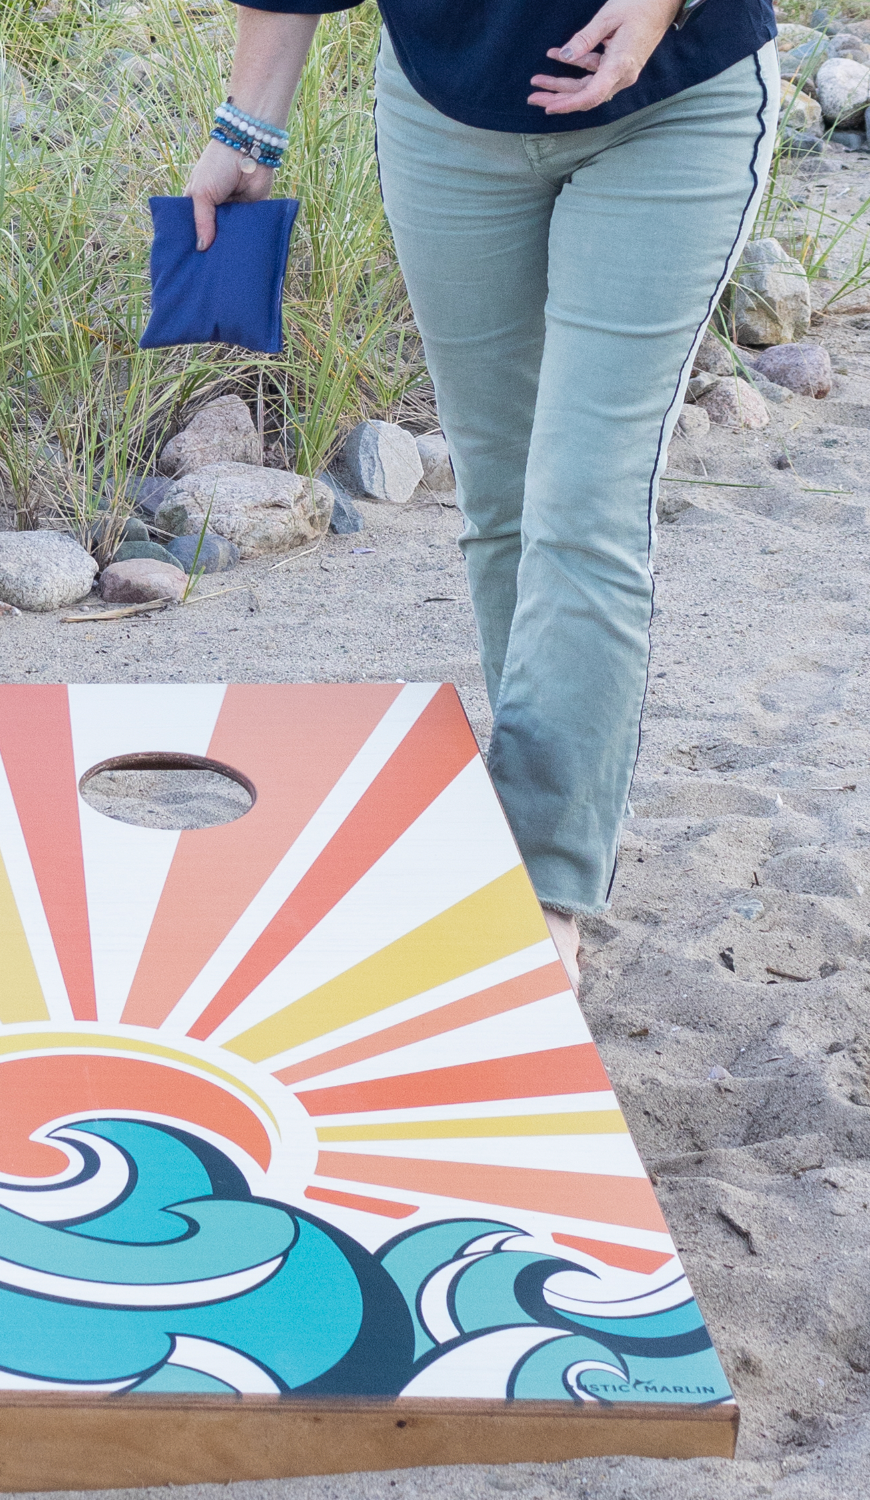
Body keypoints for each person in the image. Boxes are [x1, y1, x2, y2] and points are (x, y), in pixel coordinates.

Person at [187, 0, 778, 987]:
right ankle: (530, 825)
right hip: (447, 117)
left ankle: (540, 891)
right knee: (502, 503)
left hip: (671, 111)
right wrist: (247, 128)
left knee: (581, 509)